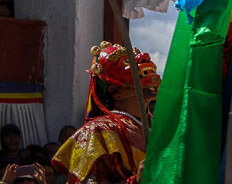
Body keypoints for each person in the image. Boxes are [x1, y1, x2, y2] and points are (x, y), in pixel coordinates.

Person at [51, 42, 159, 184]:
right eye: (128, 61)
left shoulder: (160, 127)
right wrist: (135, 181)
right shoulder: (96, 132)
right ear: (115, 92)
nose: (144, 58)